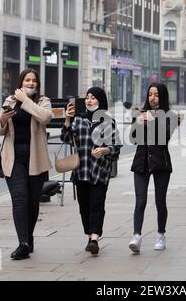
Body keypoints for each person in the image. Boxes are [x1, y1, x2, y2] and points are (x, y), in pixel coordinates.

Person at [0, 69, 52, 260]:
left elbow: (44, 117)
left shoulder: (43, 101)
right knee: (19, 199)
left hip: (35, 159)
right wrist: (3, 119)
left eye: (34, 80)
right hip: (13, 158)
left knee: (32, 202)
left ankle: (28, 236)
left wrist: (26, 101)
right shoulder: (10, 101)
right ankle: (23, 243)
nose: (30, 83)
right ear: (21, 82)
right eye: (27, 80)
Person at [61, 87, 121, 255]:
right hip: (81, 171)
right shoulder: (77, 119)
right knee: (84, 207)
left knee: (97, 205)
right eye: (87, 97)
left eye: (93, 98)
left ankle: (94, 238)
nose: (89, 100)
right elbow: (66, 139)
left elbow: (116, 148)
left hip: (99, 172)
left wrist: (104, 150)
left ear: (100, 101)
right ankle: (89, 235)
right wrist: (67, 119)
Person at [128, 83, 179, 253]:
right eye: (150, 94)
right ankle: (136, 236)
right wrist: (138, 123)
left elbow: (164, 138)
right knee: (140, 200)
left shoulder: (169, 115)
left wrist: (152, 122)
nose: (152, 98)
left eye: (156, 95)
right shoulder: (141, 114)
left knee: (160, 201)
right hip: (141, 162)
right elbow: (133, 139)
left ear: (162, 96)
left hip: (160, 163)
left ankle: (161, 235)